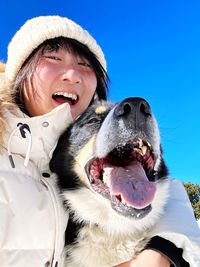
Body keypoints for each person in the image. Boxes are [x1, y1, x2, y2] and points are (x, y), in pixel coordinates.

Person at [0, 15, 199, 267]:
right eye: (52, 57)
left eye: (85, 65)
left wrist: (163, 249)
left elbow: (166, 192)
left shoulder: (55, 153)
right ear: (19, 73)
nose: (72, 74)